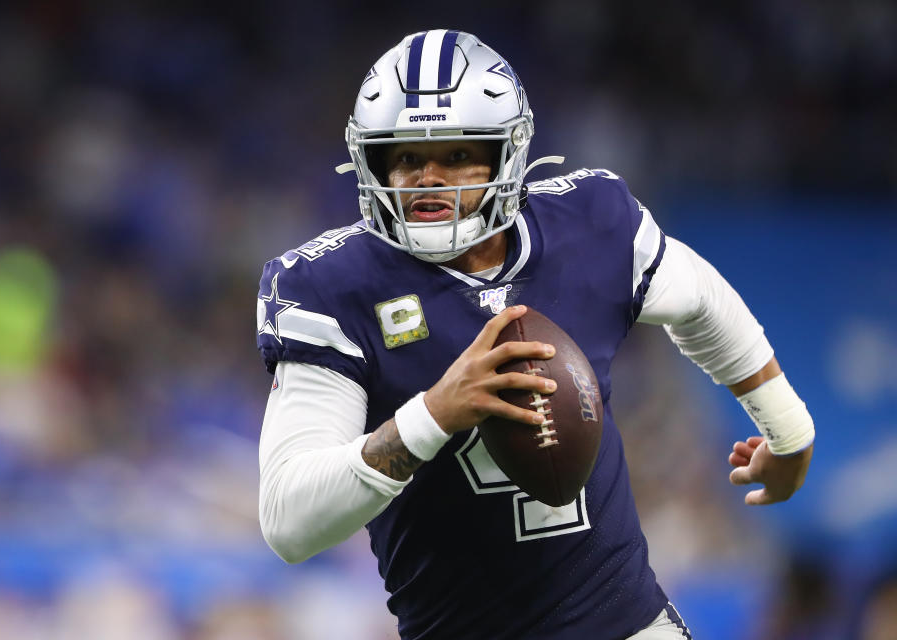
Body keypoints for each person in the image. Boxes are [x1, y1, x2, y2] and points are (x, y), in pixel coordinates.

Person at [256, 30, 814, 639]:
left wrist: (786, 429)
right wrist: (434, 415)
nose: (428, 179)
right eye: (407, 157)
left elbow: (702, 300)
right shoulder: (330, 287)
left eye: (456, 154)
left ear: (507, 154)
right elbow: (289, 521)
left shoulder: (588, 224)